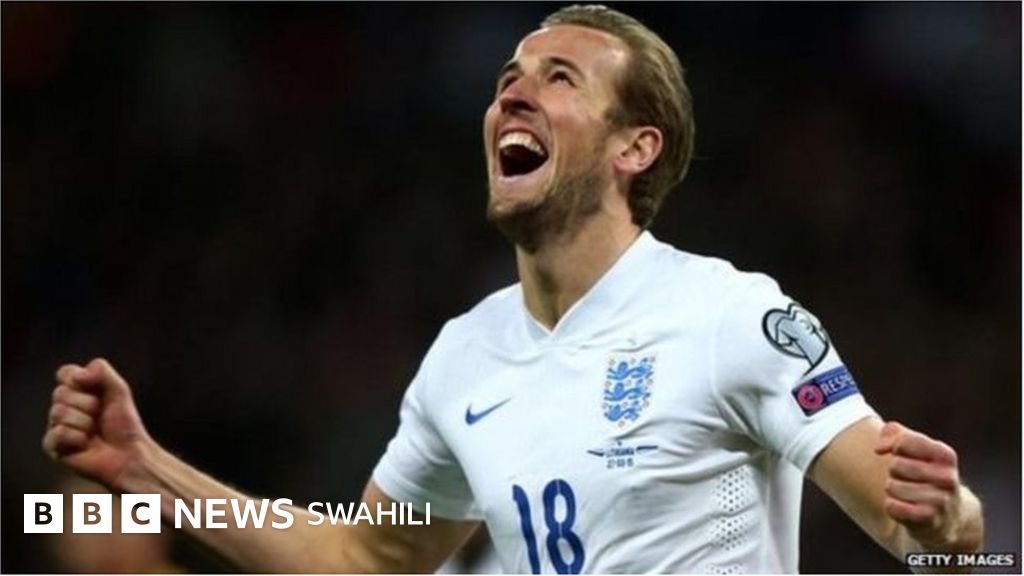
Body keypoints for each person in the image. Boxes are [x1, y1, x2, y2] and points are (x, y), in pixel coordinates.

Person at [42, 5, 984, 573]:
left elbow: (935, 541)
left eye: (558, 78)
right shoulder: (464, 356)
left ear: (634, 147)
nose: (512, 96)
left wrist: (952, 525)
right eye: (508, 79)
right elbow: (360, 558)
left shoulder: (729, 317)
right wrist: (148, 471)